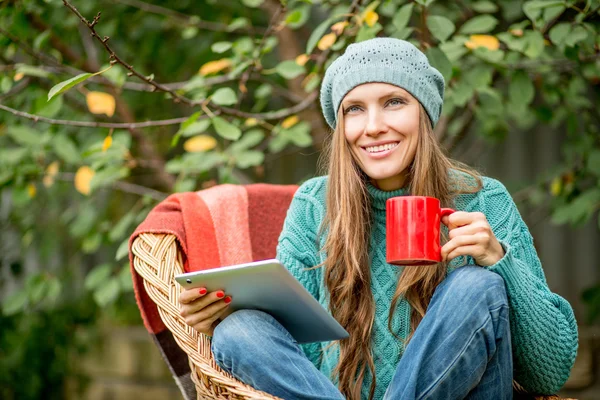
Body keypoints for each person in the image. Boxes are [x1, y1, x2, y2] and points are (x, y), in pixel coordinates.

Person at [178, 37, 578, 400]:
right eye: (355, 109)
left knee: (476, 286)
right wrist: (221, 314)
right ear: (341, 125)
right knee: (238, 331)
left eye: (394, 102)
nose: (373, 127)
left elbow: (549, 374)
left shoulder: (482, 199)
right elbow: (299, 354)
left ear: (424, 112)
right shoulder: (314, 205)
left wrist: (498, 259)